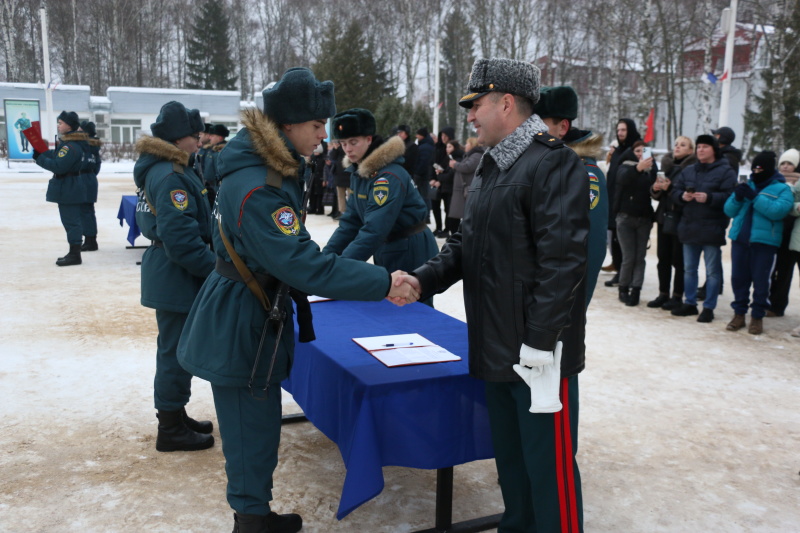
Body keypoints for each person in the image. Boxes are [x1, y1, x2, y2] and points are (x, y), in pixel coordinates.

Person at [175, 68, 417, 533]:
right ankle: (251, 520)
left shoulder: (264, 170)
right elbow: (303, 265)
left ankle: (254, 513)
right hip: (243, 317)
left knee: (257, 423)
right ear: (288, 126)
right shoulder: (261, 187)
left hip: (249, 306)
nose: (323, 135)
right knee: (250, 428)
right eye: (315, 125)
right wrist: (382, 282)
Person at [393, 58, 589, 533]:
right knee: (513, 468)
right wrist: (422, 279)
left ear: (506, 102)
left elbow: (563, 265)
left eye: (476, 105)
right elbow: (466, 244)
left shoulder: (553, 162)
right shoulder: (490, 165)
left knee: (549, 472)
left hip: (538, 355)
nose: (471, 116)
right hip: (496, 346)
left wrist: (541, 346)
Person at [133, 101, 215, 453]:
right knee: (175, 353)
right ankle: (169, 427)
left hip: (171, 271)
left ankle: (175, 415)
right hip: (176, 274)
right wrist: (217, 270)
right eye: (195, 137)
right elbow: (182, 241)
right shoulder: (170, 176)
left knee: (176, 349)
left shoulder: (167, 168)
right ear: (179, 138)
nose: (199, 143)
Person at [323, 108, 439, 283]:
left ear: (369, 139)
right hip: (388, 246)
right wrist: (325, 259)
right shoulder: (360, 172)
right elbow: (350, 222)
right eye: (343, 143)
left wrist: (341, 268)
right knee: (389, 305)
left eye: (353, 142)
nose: (347, 149)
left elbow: (375, 229)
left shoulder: (387, 177)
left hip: (409, 249)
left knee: (411, 307)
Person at [535, 84, 609, 305]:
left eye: (539, 124)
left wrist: (571, 310)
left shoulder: (585, 175)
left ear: (563, 127)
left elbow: (591, 248)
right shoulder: (543, 164)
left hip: (558, 310)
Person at [723, 151, 793, 335]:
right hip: (740, 240)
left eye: (760, 168)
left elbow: (778, 211)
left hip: (765, 243)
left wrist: (755, 197)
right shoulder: (747, 183)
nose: (756, 171)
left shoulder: (782, 188)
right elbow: (729, 210)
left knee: (761, 282)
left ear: (769, 169)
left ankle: (757, 317)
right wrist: (737, 197)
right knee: (739, 279)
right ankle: (739, 314)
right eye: (754, 168)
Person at [670, 134, 737, 323]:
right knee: (689, 269)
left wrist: (710, 198)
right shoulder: (689, 170)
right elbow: (675, 191)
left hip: (712, 228)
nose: (700, 150)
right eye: (698, 147)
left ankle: (709, 307)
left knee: (712, 272)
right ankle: (690, 303)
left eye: (705, 147)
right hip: (689, 226)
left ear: (714, 150)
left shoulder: (726, 171)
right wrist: (682, 196)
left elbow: (731, 197)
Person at [33, 110, 91, 266]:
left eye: (60, 123)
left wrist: (39, 159)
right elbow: (57, 156)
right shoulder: (69, 143)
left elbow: (59, 166)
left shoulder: (70, 146)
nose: (58, 126)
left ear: (69, 126)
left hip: (69, 188)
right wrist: (42, 152)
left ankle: (75, 255)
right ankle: (73, 252)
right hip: (69, 187)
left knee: (72, 222)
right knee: (70, 221)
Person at [648, 136, 696, 310]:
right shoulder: (667, 165)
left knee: (678, 259)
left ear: (691, 150)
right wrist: (655, 188)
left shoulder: (692, 168)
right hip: (664, 216)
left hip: (681, 217)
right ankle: (663, 293)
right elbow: (658, 195)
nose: (677, 147)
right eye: (676, 144)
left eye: (683, 145)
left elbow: (689, 193)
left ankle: (677, 296)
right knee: (663, 258)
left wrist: (670, 188)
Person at [613, 140, 656, 306]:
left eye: (643, 151)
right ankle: (623, 287)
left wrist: (657, 186)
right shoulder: (625, 165)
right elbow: (622, 179)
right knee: (629, 257)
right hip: (625, 217)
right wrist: (638, 168)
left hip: (644, 218)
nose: (640, 154)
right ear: (632, 152)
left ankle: (636, 289)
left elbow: (653, 189)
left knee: (640, 257)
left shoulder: (651, 169)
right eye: (637, 150)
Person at [604, 118, 642, 287]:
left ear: (631, 130)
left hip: (630, 204)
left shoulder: (638, 149)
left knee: (624, 242)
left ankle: (626, 274)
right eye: (618, 130)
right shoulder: (618, 150)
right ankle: (619, 269)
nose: (620, 133)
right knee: (614, 239)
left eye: (624, 130)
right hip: (614, 200)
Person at [766, 148, 800, 317]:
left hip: (794, 233)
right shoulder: (774, 182)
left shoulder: (798, 182)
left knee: (785, 271)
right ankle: (772, 303)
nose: (786, 167)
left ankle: (777, 305)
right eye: (783, 163)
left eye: (790, 164)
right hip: (777, 230)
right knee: (775, 270)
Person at [447, 137, 483, 227]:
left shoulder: (476, 155)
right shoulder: (470, 155)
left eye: (467, 143)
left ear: (472, 145)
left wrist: (455, 164)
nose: (465, 145)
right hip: (462, 189)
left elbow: (467, 167)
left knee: (464, 215)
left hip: (466, 189)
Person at [433, 139, 464, 239]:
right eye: (447, 147)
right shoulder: (450, 157)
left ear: (455, 147)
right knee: (448, 212)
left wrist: (440, 176)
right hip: (447, 189)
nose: (447, 149)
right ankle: (451, 233)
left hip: (452, 190)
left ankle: (454, 234)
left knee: (452, 214)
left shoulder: (457, 159)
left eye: (449, 147)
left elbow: (450, 176)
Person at [79, 120, 102, 252]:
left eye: (81, 130)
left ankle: (90, 241)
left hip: (83, 180)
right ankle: (90, 239)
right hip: (91, 180)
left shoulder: (84, 146)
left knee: (85, 212)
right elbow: (97, 166)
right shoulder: (94, 147)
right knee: (88, 211)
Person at [431, 126, 456, 236]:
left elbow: (449, 166)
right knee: (435, 205)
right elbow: (432, 163)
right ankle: (439, 227)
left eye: (445, 136)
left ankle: (447, 228)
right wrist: (432, 178)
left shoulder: (452, 149)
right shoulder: (437, 147)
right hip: (436, 180)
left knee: (447, 207)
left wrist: (440, 179)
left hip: (446, 182)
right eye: (442, 135)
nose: (443, 138)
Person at [414, 126, 435, 219]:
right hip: (425, 175)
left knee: (424, 196)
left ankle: (425, 216)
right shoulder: (426, 145)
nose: (416, 136)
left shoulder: (424, 147)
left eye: (418, 134)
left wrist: (417, 173)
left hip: (423, 176)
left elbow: (423, 162)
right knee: (425, 196)